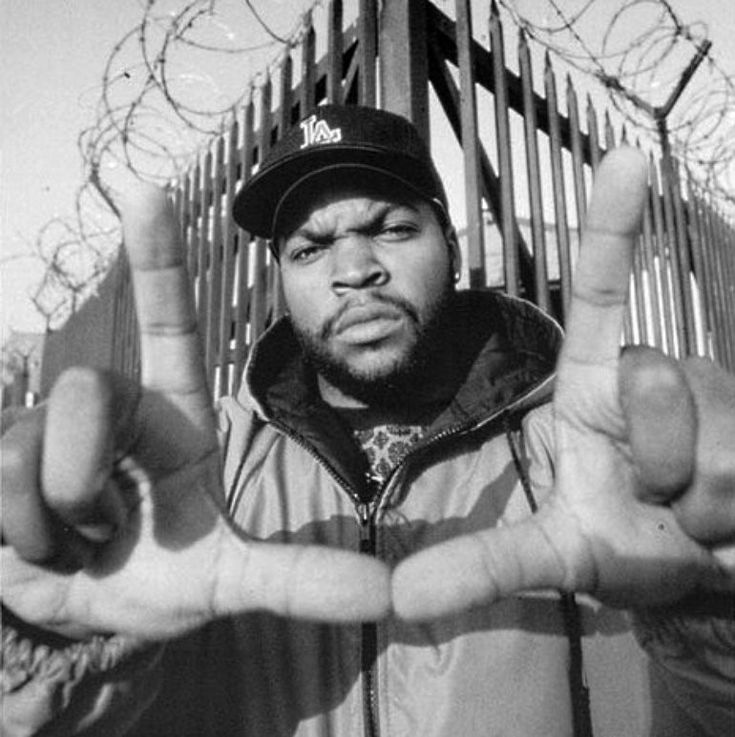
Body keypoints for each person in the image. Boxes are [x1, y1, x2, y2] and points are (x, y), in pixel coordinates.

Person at [1, 104, 733, 737]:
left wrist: (709, 615)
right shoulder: (199, 480)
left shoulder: (592, 461)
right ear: (281, 279)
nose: (354, 269)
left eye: (390, 229)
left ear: (448, 241)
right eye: (311, 247)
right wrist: (58, 644)